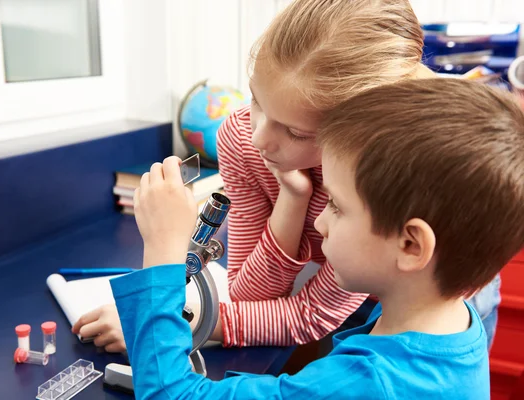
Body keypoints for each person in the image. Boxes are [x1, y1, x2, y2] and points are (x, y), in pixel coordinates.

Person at [72, 0, 500, 353]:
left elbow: (312, 314)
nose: (260, 138)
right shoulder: (242, 135)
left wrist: (171, 323)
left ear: (360, 132)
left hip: (436, 304)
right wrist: (291, 201)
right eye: (256, 100)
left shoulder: (382, 173)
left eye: (296, 131)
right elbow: (246, 291)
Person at [110, 78, 524, 399]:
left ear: (411, 246)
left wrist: (163, 250)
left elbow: (170, 394)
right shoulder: (453, 324)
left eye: (338, 207)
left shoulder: (372, 383)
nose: (321, 223)